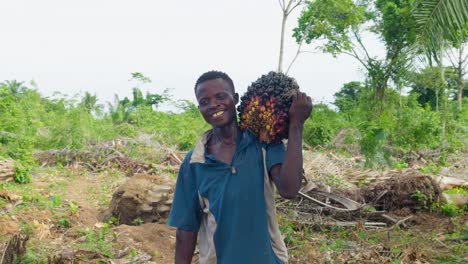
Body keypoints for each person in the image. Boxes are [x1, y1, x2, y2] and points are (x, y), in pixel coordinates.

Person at [168, 71, 312, 264]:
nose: (213, 104)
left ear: (235, 99)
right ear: (200, 109)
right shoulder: (195, 163)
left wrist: (296, 124)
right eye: (204, 101)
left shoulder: (263, 142)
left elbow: (289, 188)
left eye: (220, 96)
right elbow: (186, 229)